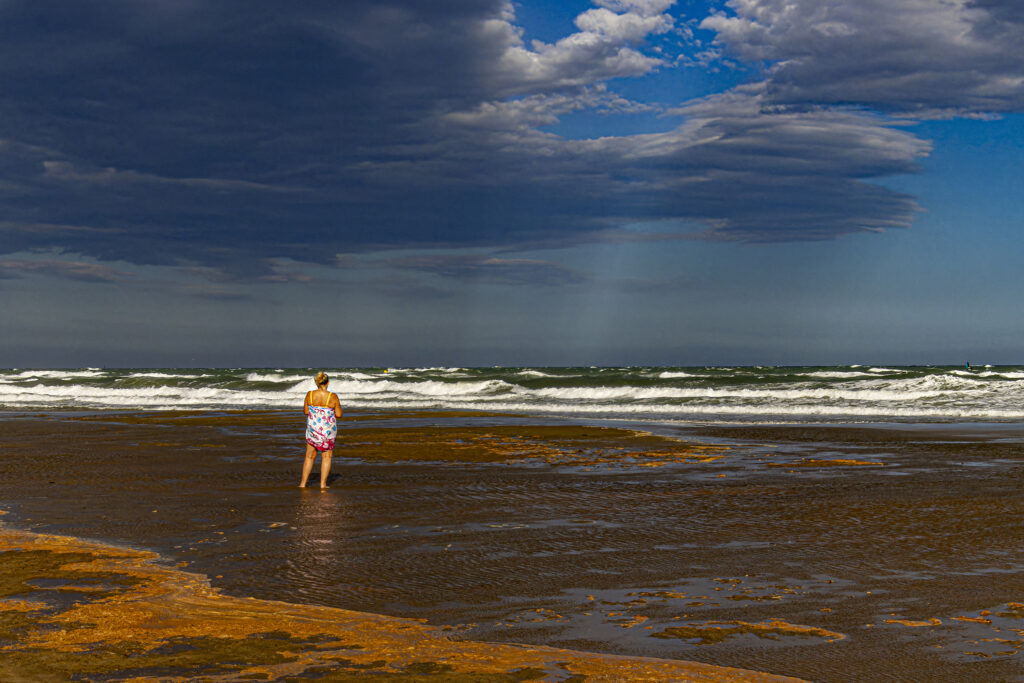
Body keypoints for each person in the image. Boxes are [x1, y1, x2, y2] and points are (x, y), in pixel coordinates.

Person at [299, 371, 342, 489]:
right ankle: (323, 484)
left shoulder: (310, 394)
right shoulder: (332, 396)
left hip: (313, 429)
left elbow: (306, 411)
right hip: (327, 431)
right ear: (328, 382)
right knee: (326, 457)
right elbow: (338, 414)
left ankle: (303, 484)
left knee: (309, 457)